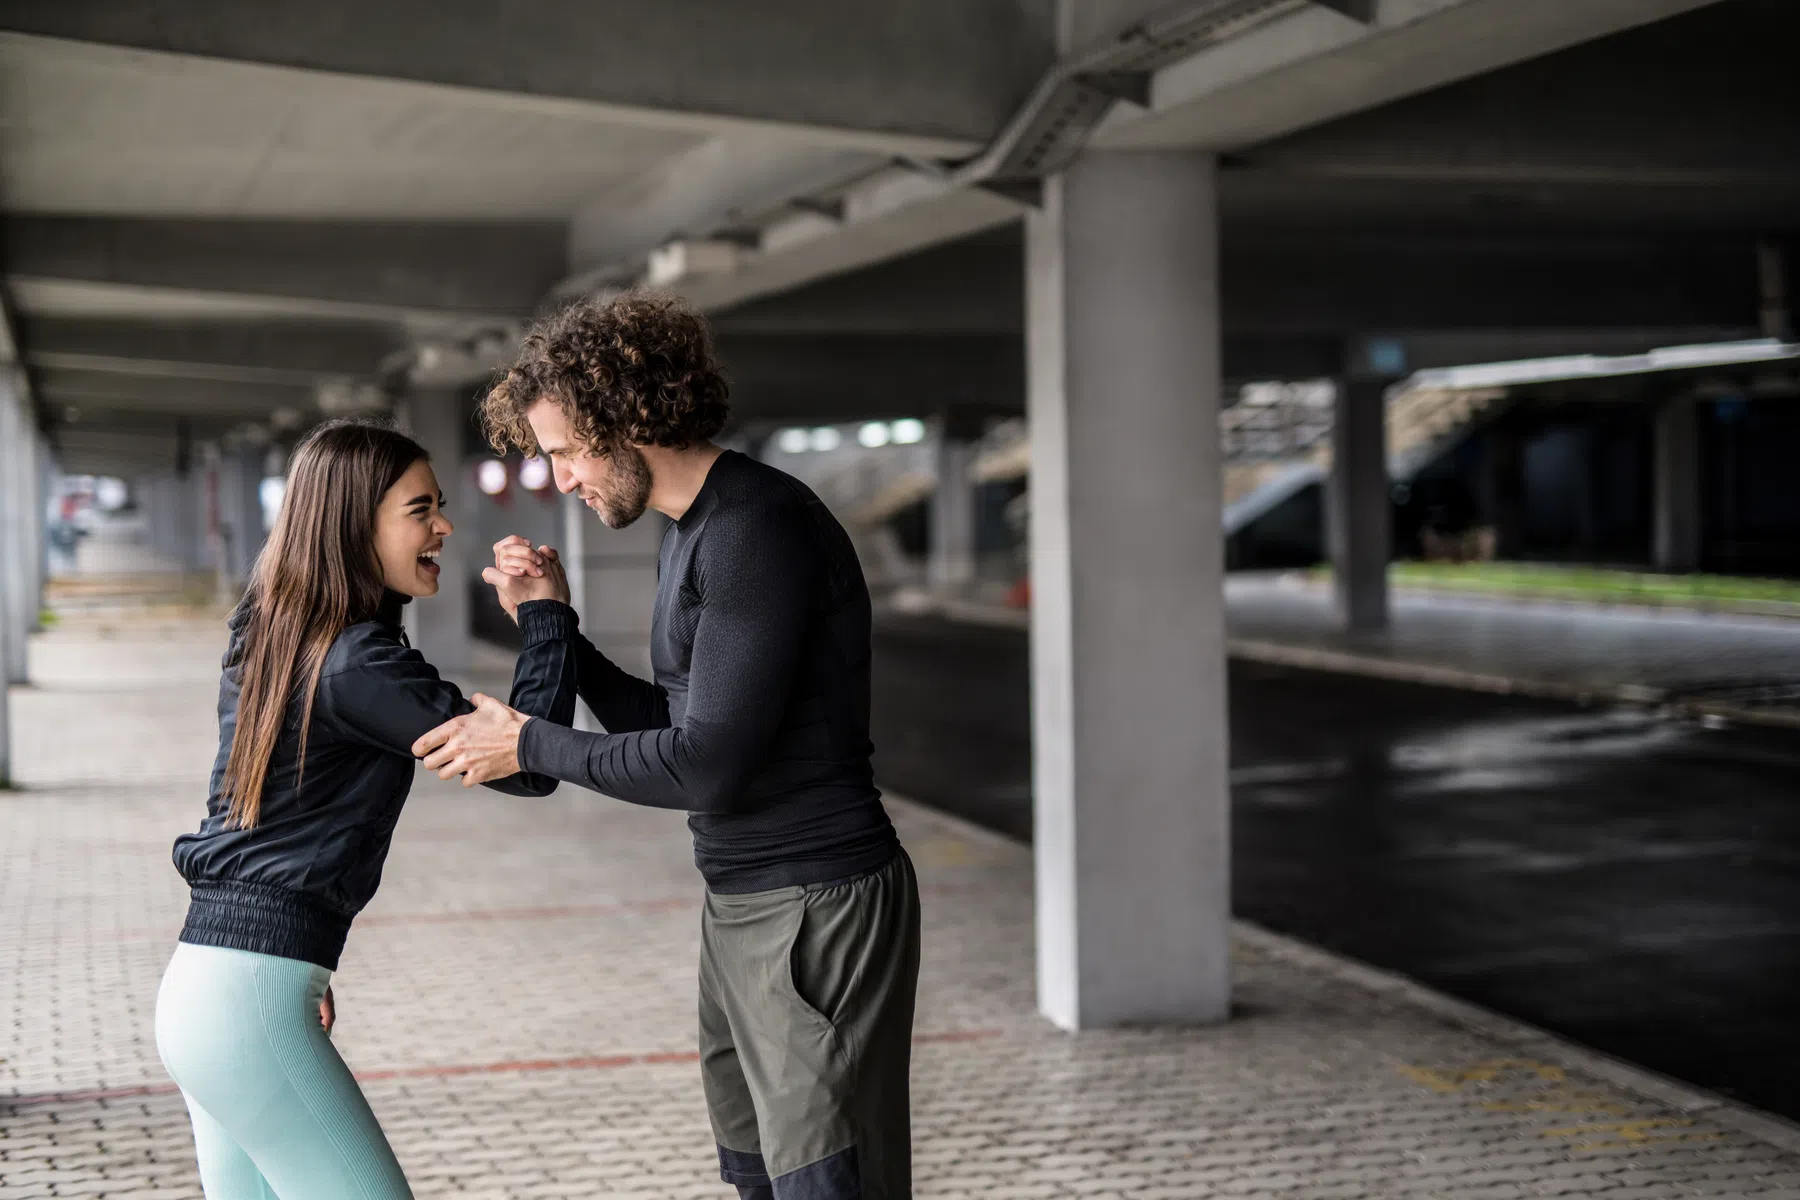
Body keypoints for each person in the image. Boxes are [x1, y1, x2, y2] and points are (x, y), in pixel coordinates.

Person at [413, 294, 921, 1200]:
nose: (561, 480)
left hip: (815, 901)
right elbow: (680, 722)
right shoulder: (696, 531)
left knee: (827, 1183)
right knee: (761, 1176)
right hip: (741, 901)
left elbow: (708, 765)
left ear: (631, 418)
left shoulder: (758, 529)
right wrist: (553, 622)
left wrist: (531, 743)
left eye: (568, 451)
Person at [154, 420, 579, 1200]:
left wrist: (287, 953)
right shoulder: (356, 660)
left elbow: (247, 815)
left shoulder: (276, 634)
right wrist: (546, 618)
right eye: (421, 509)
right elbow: (523, 764)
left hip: (208, 985)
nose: (445, 526)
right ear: (356, 523)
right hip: (250, 1000)